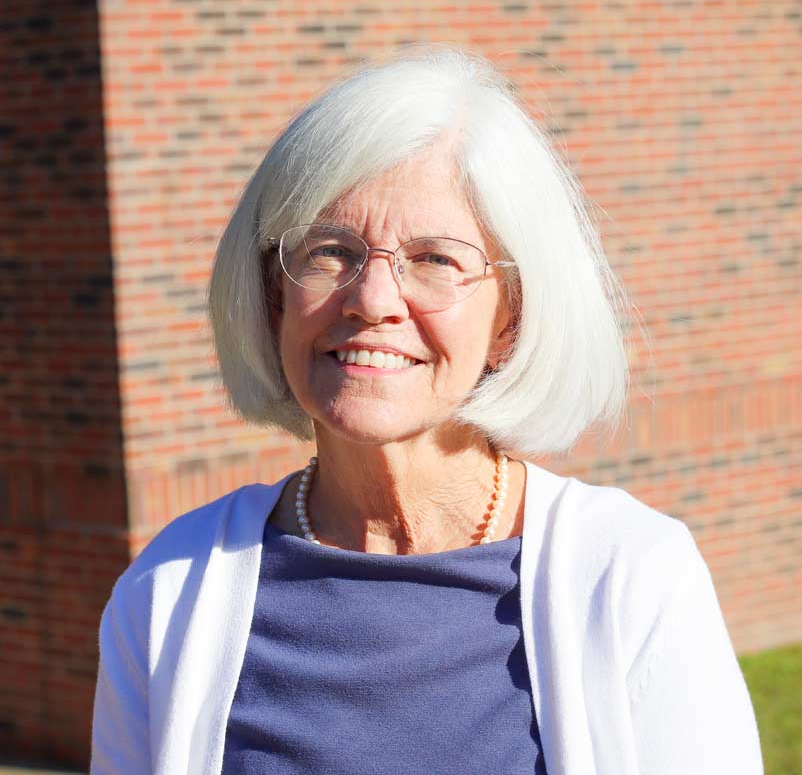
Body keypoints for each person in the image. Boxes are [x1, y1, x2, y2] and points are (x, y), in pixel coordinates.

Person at [90, 45, 764, 774]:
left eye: (436, 260)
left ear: (511, 318)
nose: (373, 300)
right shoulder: (171, 589)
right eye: (330, 251)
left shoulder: (631, 578)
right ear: (276, 296)